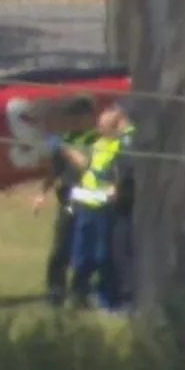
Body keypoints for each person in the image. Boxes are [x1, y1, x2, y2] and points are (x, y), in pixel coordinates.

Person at [51, 102, 128, 310]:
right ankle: (78, 294)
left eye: (104, 126)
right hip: (86, 204)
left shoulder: (119, 147)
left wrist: (67, 149)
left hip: (102, 207)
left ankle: (108, 299)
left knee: (102, 254)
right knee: (80, 254)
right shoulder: (99, 143)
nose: (99, 129)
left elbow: (100, 172)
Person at [31, 95, 99, 306]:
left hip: (91, 198)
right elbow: (54, 171)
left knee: (86, 246)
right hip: (69, 198)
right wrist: (41, 194)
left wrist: (67, 148)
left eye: (81, 117)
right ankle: (55, 289)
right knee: (62, 244)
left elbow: (86, 165)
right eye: (74, 117)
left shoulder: (97, 142)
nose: (77, 122)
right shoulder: (65, 140)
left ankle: (81, 290)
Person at [108, 102, 137, 308]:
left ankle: (128, 297)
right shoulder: (124, 138)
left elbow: (127, 168)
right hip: (129, 200)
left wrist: (117, 188)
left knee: (123, 248)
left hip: (128, 201)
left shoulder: (127, 138)